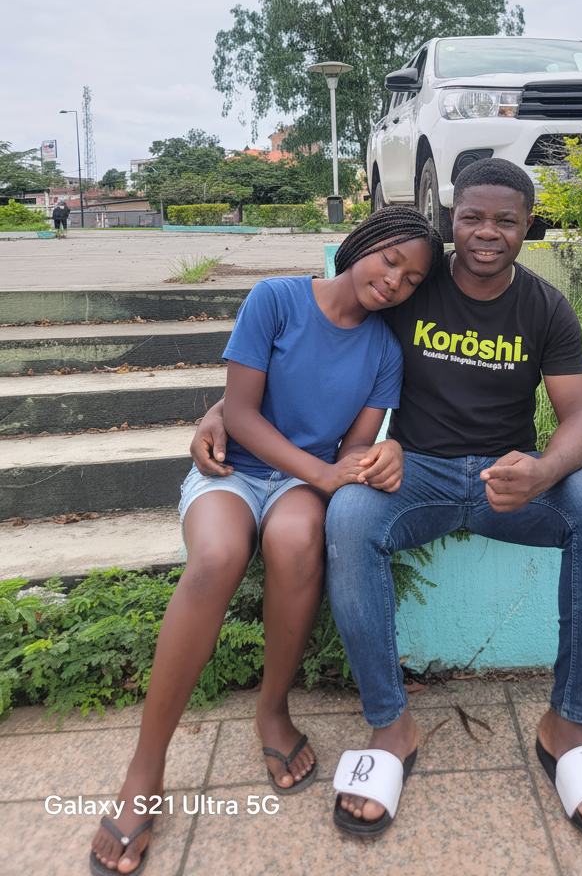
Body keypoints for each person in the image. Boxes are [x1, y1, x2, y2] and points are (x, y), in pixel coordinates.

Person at [192, 160, 582, 841]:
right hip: (415, 475)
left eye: (506, 220)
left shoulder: (545, 307)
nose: (488, 232)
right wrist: (222, 409)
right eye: (473, 217)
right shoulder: (411, 285)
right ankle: (390, 724)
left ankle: (568, 723)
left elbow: (581, 417)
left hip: (506, 482)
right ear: (452, 219)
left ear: (528, 226)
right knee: (350, 514)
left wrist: (545, 472)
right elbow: (317, 347)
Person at [89, 207, 443, 876]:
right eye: (390, 260)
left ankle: (272, 711)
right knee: (217, 556)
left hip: (300, 485)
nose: (396, 281)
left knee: (296, 539)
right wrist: (318, 469)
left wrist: (376, 457)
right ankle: (145, 768)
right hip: (233, 470)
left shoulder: (384, 351)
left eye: (413, 279)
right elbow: (241, 413)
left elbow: (353, 448)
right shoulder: (276, 299)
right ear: (360, 246)